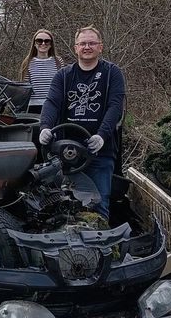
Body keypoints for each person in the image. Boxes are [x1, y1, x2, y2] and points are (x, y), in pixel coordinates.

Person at [38, 26, 125, 218]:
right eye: (83, 43)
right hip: (66, 154)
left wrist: (102, 135)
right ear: (76, 47)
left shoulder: (112, 73)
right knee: (62, 203)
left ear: (100, 47)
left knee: (100, 203)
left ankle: (102, 245)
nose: (87, 47)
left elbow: (115, 107)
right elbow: (52, 103)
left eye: (92, 43)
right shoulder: (63, 76)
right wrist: (45, 127)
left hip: (99, 153)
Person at [19, 29, 65, 111]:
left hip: (54, 104)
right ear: (34, 44)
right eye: (39, 41)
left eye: (47, 41)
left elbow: (62, 84)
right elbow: (25, 89)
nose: (43, 44)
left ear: (51, 44)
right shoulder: (27, 63)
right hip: (34, 106)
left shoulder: (58, 61)